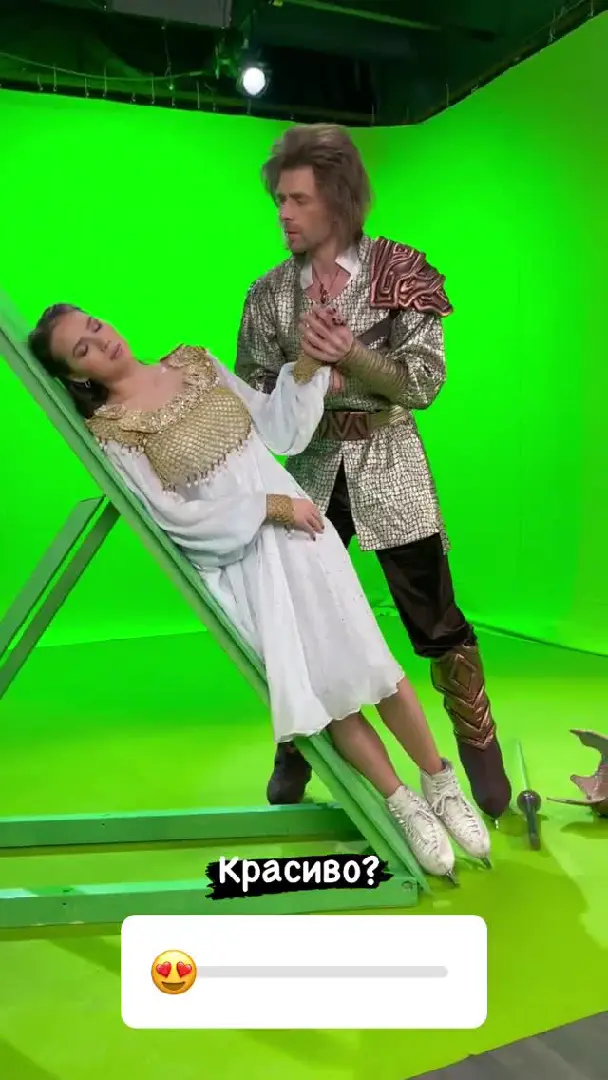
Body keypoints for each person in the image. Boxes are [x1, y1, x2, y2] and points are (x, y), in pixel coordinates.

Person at [27, 302, 491, 880]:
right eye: (82, 349)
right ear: (76, 375)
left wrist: (307, 366)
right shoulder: (114, 432)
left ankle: (441, 784)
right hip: (244, 561)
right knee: (326, 692)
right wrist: (270, 507)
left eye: (95, 326)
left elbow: (276, 426)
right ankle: (404, 805)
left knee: (374, 664)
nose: (101, 342)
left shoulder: (194, 362)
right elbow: (172, 517)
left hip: (303, 537)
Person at [235, 123, 512, 820]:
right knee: (301, 617)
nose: (284, 214)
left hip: (390, 462)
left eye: (298, 200)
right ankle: (297, 747)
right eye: (279, 200)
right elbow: (254, 394)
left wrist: (350, 357)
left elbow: (422, 383)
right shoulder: (269, 295)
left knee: (434, 616)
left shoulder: (402, 272)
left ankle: (479, 750)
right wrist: (306, 381)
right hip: (310, 466)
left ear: (339, 199)